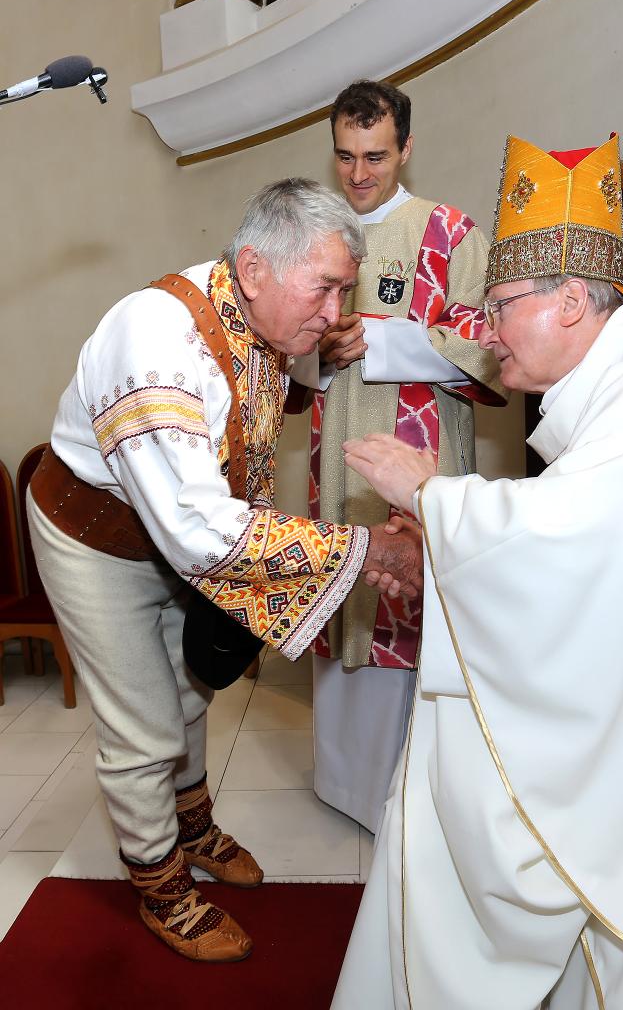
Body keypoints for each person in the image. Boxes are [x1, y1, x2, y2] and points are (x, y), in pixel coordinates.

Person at [332, 135, 623, 1009]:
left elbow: (570, 540)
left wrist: (432, 498)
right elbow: (587, 556)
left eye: (500, 306)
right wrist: (441, 551)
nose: (484, 331)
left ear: (572, 301)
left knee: (455, 784)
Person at [27, 179, 422, 963]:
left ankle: (193, 824)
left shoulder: (258, 311)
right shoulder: (153, 342)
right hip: (98, 538)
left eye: (343, 290)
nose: (335, 312)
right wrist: (366, 550)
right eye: (324, 288)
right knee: (142, 725)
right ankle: (160, 885)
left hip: (178, 528)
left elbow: (259, 404)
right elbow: (197, 530)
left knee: (188, 691)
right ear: (253, 268)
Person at [304, 79, 507, 832]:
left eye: (376, 156)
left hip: (421, 457)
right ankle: (343, 784)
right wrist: (316, 354)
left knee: (409, 598)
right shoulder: (315, 235)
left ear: (407, 149)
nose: (359, 174)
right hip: (335, 458)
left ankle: (412, 799)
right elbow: (277, 349)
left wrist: (384, 339)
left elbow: (490, 347)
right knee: (345, 590)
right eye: (346, 157)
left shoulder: (448, 232)